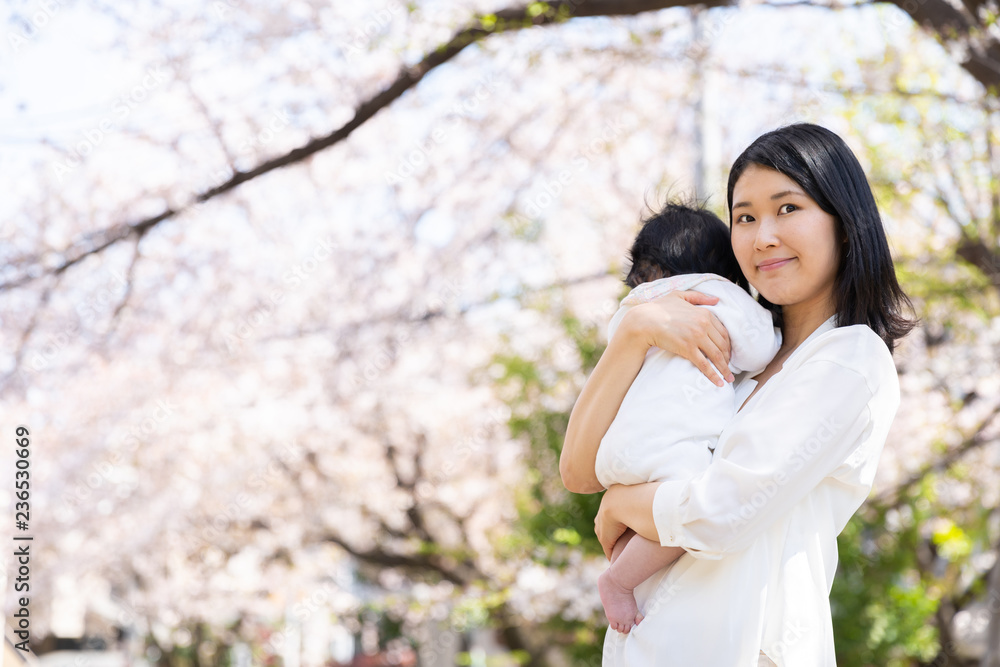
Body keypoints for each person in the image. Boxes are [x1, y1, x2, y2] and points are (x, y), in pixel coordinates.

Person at [559, 123, 915, 666]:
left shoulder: (849, 360)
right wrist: (634, 332)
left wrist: (623, 503)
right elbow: (579, 472)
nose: (762, 235)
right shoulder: (729, 356)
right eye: (744, 217)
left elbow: (721, 512)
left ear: (844, 224)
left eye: (788, 208)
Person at [595, 201, 781, 634]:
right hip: (671, 450)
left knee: (648, 523)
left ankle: (627, 567)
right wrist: (769, 328)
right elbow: (758, 351)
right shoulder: (717, 295)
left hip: (616, 452)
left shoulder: (637, 309)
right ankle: (618, 581)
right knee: (686, 510)